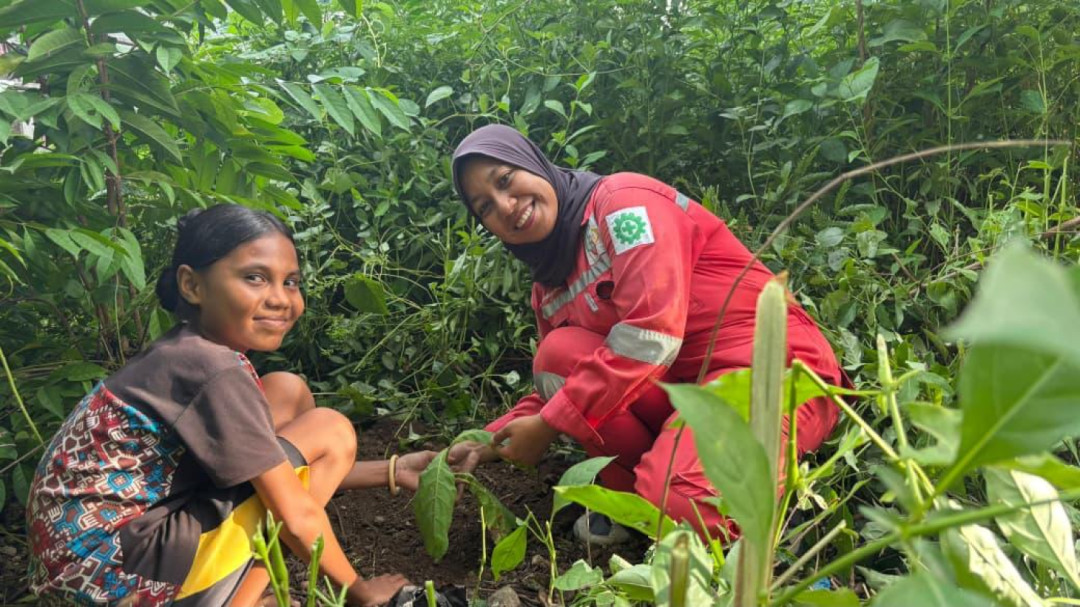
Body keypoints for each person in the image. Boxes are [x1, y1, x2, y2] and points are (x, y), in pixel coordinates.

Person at [446, 124, 844, 544]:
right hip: (688, 392)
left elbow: (651, 333)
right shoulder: (549, 289)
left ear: (533, 163)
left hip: (771, 371)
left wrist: (547, 425)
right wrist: (474, 445)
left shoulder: (623, 207)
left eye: (505, 180)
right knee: (557, 356)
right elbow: (564, 388)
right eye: (485, 207)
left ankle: (779, 515)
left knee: (680, 507)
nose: (506, 206)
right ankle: (640, 492)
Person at [26, 204, 430, 606]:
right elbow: (294, 513)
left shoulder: (183, 353)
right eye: (255, 277)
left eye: (291, 282)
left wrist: (393, 470)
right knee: (331, 429)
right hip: (117, 581)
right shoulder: (212, 369)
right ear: (192, 285)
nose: (280, 298)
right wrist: (362, 593)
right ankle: (241, 599)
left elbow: (270, 473)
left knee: (287, 391)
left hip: (84, 570)